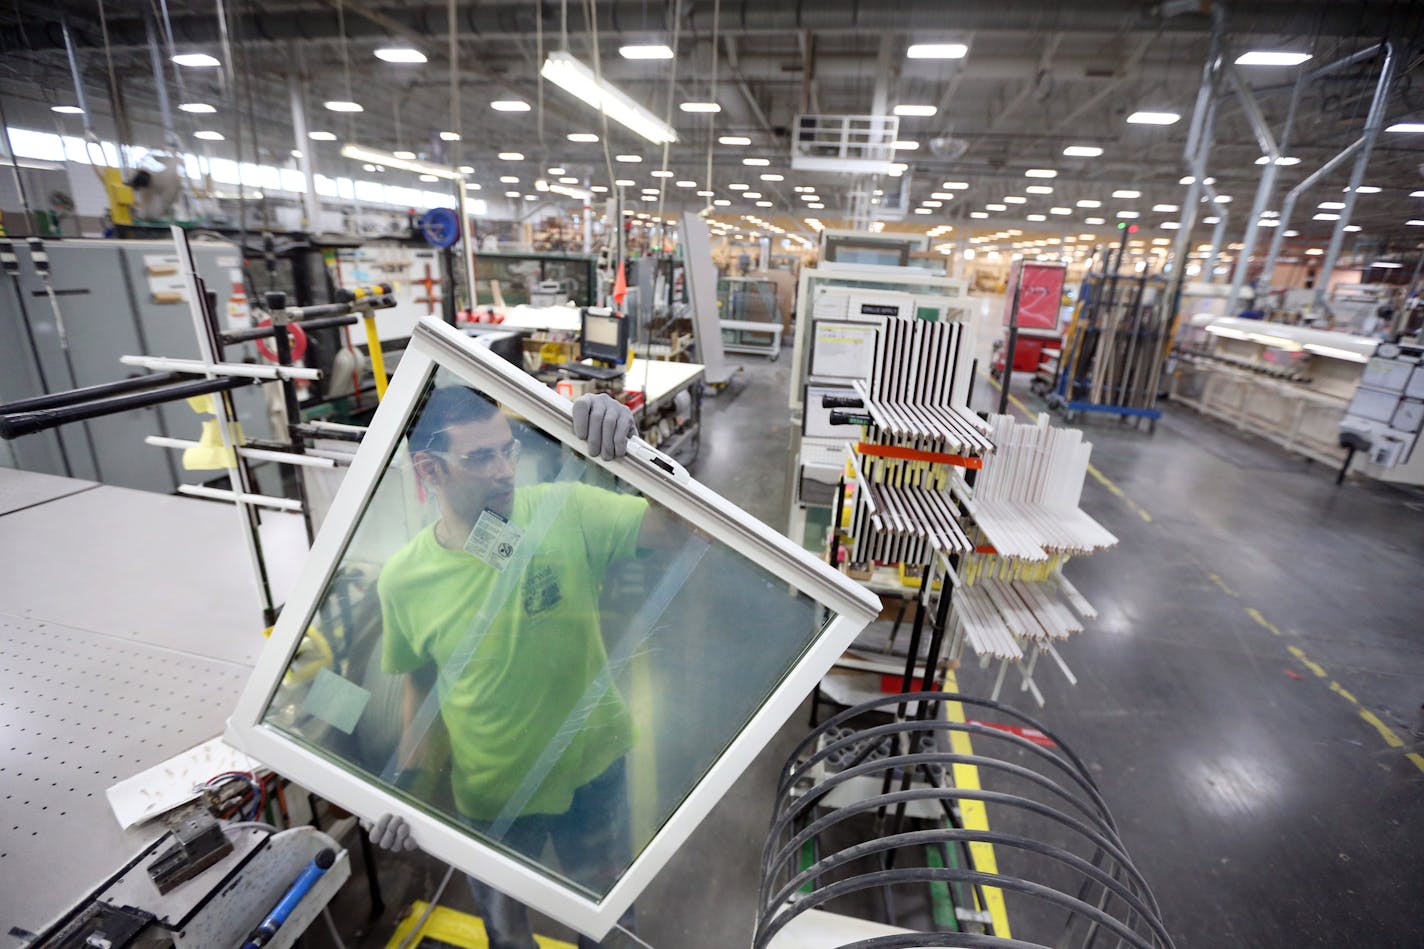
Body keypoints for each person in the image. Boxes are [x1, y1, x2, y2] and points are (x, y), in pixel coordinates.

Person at [367, 387, 670, 949]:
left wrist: (637, 454)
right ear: (428, 469)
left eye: (508, 451)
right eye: (481, 458)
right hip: (492, 795)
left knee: (608, 928)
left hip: (591, 770)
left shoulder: (565, 509)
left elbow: (678, 529)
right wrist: (403, 790)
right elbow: (421, 684)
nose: (505, 471)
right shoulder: (404, 580)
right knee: (507, 938)